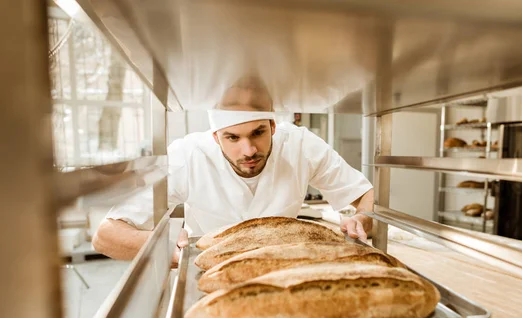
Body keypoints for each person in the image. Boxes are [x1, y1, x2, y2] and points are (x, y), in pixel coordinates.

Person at [93, 76, 374, 263]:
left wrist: (361, 221)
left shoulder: (301, 145)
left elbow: (366, 196)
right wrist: (168, 249)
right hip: (211, 274)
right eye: (233, 138)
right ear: (216, 137)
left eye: (258, 132)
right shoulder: (187, 156)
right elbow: (105, 235)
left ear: (273, 126)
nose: (249, 150)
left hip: (283, 268)